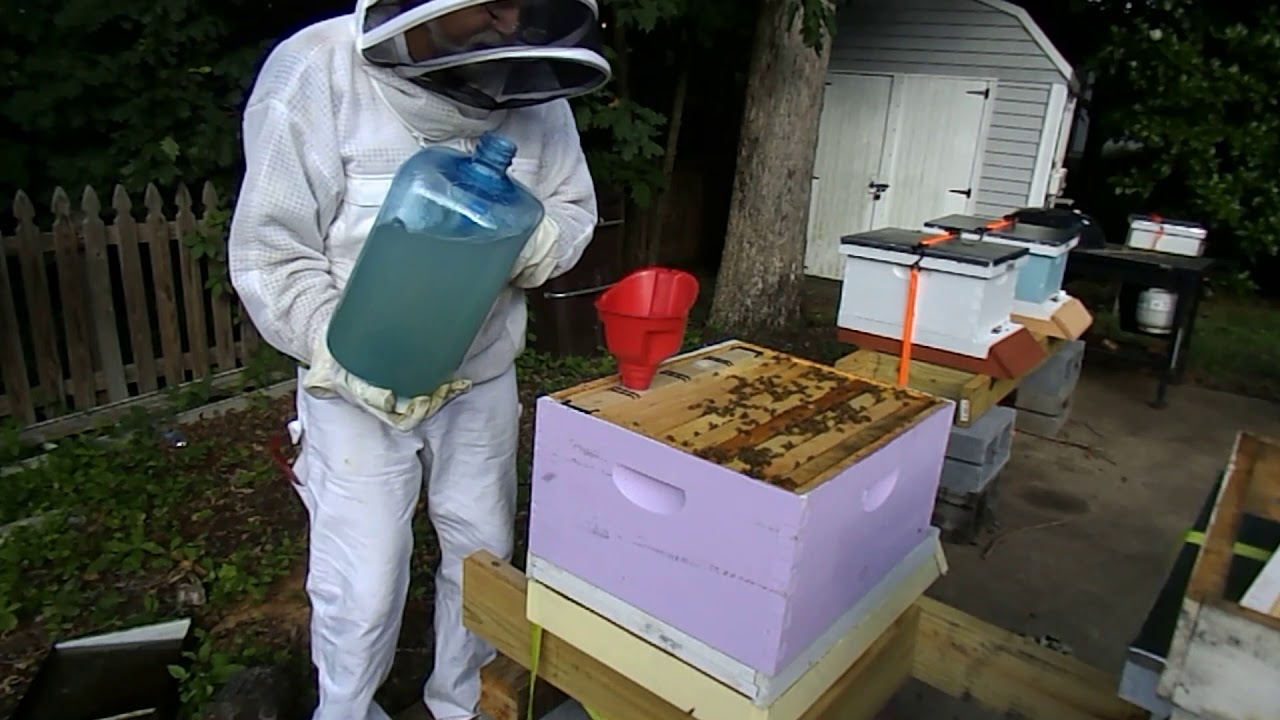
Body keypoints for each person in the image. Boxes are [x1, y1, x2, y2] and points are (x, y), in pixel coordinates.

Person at [227, 2, 610, 718]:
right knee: (363, 579)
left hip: (480, 376)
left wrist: (529, 241)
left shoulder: (534, 80)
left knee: (483, 555)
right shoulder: (317, 69)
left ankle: (461, 705)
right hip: (354, 384)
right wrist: (334, 355)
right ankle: (345, 709)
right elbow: (271, 255)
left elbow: (573, 209)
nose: (507, 16)